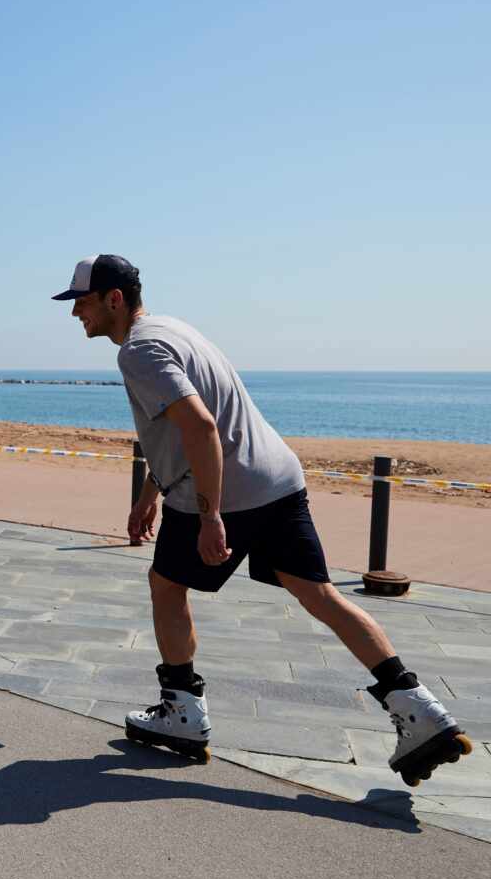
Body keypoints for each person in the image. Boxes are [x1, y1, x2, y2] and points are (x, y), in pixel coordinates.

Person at [53, 254, 471, 786]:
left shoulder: (137, 350)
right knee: (320, 595)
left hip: (226, 491)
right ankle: (419, 710)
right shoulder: (175, 329)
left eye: (82, 302)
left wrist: (209, 517)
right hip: (277, 476)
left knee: (165, 585)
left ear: (114, 298)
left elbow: (202, 429)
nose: (75, 314)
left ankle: (182, 711)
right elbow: (188, 427)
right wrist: (149, 492)